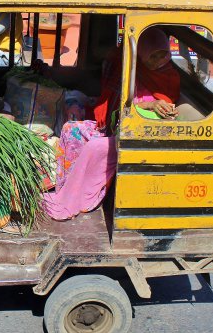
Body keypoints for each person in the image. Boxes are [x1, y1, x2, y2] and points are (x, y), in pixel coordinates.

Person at [43, 27, 180, 220]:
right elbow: (126, 101)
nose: (158, 61)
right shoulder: (133, 69)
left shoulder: (169, 77)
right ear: (141, 54)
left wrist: (158, 107)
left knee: (95, 147)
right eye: (153, 56)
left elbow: (166, 108)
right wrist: (150, 104)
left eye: (162, 55)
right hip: (115, 124)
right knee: (70, 129)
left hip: (135, 136)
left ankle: (78, 197)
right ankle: (65, 187)